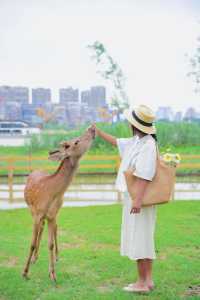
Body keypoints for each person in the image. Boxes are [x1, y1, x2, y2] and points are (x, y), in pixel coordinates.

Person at [94, 105, 157, 293]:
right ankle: (147, 280)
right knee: (143, 238)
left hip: (140, 199)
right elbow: (117, 142)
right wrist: (98, 132)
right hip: (135, 197)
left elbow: (146, 174)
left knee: (140, 239)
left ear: (134, 124)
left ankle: (142, 283)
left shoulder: (148, 145)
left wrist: (137, 201)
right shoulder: (138, 141)